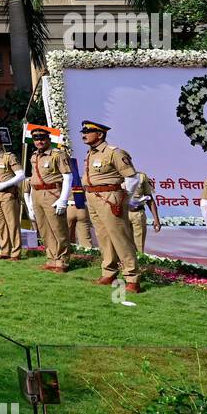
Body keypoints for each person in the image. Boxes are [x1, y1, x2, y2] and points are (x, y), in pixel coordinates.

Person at [79, 120, 142, 293]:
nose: (83, 134)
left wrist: (124, 198)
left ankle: (132, 277)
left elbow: (132, 178)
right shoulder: (90, 153)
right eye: (83, 131)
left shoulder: (114, 152)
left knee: (120, 237)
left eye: (88, 131)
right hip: (93, 196)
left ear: (99, 134)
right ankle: (109, 271)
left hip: (110, 197)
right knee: (103, 236)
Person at [22, 127, 72, 272]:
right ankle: (51, 258)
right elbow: (33, 178)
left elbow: (68, 176)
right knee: (44, 229)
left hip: (52, 192)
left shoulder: (58, 154)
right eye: (36, 139)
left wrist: (63, 199)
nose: (39, 141)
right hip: (36, 193)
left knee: (58, 228)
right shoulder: (34, 156)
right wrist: (30, 203)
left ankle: (62, 261)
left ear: (48, 140)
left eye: (42, 138)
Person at [127, 170, 161, 254]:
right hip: (122, 215)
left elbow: (150, 199)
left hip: (138, 213)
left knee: (139, 247)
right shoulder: (116, 176)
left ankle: (139, 265)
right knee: (124, 246)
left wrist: (156, 219)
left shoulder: (141, 176)